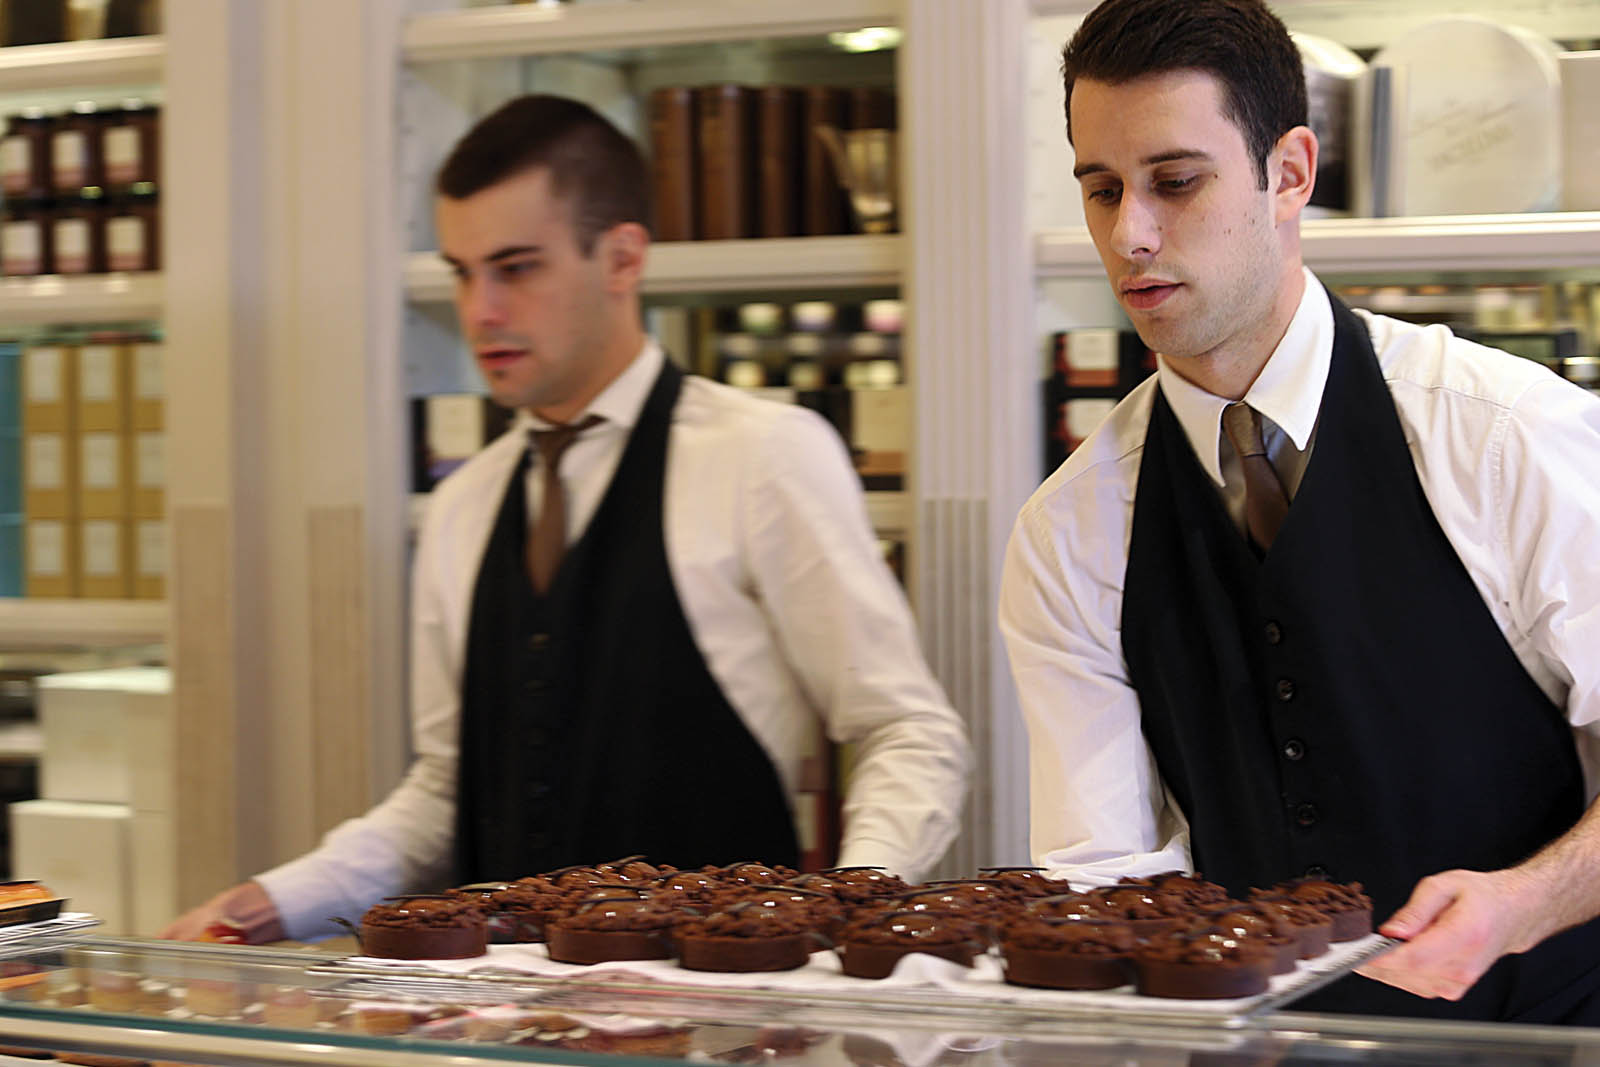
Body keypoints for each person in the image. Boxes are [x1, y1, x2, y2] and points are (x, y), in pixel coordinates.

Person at [163, 94, 970, 943]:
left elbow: (907, 730)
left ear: (622, 258)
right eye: (462, 272)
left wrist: (837, 907)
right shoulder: (465, 504)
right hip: (501, 1023)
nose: (480, 311)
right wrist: (266, 903)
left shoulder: (761, 456)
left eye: (516, 267)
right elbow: (446, 792)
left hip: (721, 1018)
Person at [998, 0, 1600, 1024]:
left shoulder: (1502, 436)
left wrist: (1525, 898)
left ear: (1290, 173)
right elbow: (1105, 870)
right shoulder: (1070, 529)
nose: (1129, 234)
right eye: (1101, 191)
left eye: (1174, 181)